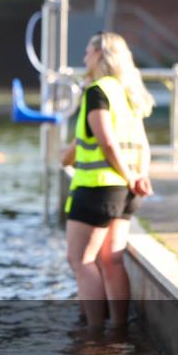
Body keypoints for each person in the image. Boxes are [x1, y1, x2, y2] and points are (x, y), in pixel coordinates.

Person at [61, 32, 153, 330]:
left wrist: (127, 176)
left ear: (101, 55)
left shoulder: (96, 92)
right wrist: (138, 177)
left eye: (88, 51)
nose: (84, 57)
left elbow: (107, 142)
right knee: (111, 260)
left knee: (80, 260)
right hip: (125, 191)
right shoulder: (127, 94)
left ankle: (94, 334)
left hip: (97, 188)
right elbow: (142, 144)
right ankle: (118, 331)